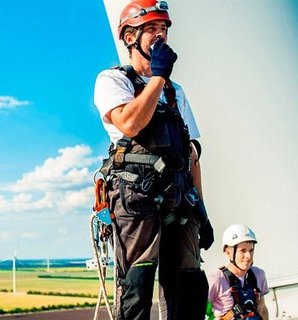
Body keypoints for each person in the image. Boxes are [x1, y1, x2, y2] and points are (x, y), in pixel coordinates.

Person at [93, 1, 214, 319]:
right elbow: (130, 123)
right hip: (137, 197)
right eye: (151, 29)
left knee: (190, 284)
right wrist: (157, 78)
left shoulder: (176, 92)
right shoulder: (113, 81)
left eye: (164, 29)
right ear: (130, 37)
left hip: (180, 197)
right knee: (138, 284)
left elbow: (191, 155)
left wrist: (202, 210)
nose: (161, 37)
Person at [207, 224, 269, 320]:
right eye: (243, 251)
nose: (248, 256)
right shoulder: (216, 279)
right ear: (228, 253)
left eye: (251, 250)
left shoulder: (259, 275)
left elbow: (262, 309)